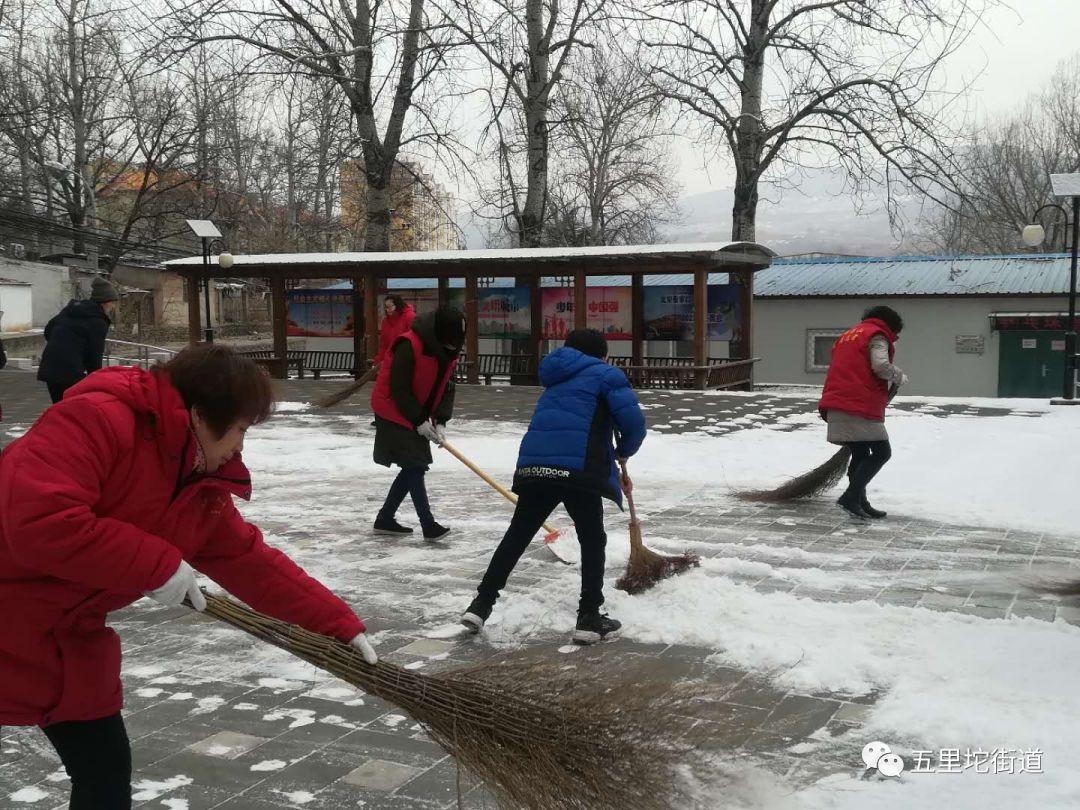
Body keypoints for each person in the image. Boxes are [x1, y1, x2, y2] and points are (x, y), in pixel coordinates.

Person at [0, 345, 377, 809]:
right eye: (239, 429)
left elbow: (248, 559)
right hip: (11, 610)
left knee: (105, 772)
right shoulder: (96, 419)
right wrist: (154, 565)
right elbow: (40, 522)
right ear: (201, 415)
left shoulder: (197, 484)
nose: (240, 445)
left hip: (64, 637)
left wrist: (338, 624)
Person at [461, 328, 646, 644]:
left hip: (536, 465)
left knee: (517, 535)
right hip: (576, 468)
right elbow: (633, 424)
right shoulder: (606, 374)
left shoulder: (556, 376)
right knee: (592, 539)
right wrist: (623, 451)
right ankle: (589, 617)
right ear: (601, 354)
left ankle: (480, 605)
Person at [370, 304, 464, 540]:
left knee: (414, 465)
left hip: (415, 410)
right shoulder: (408, 344)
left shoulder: (448, 351)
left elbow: (447, 388)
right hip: (392, 407)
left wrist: (441, 420)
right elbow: (399, 389)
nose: (454, 347)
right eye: (450, 341)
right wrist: (420, 421)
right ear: (439, 334)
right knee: (414, 464)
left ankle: (385, 519)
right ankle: (428, 525)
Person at [818, 305, 908, 520]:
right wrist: (899, 375)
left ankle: (860, 500)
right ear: (890, 325)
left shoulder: (849, 335)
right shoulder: (877, 336)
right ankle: (850, 497)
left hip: (837, 401)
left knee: (860, 453)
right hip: (858, 403)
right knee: (881, 452)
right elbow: (881, 366)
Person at [37, 275, 118, 403]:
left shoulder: (71, 310)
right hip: (70, 372)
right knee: (73, 411)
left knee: (59, 408)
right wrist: (96, 383)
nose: (113, 306)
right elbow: (94, 356)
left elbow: (48, 330)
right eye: (112, 302)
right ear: (105, 301)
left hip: (50, 367)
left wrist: (62, 343)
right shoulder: (97, 321)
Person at [375, 294, 415, 367]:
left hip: (405, 359)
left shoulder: (410, 317)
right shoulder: (385, 321)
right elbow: (383, 345)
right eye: (386, 307)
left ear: (398, 305)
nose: (388, 310)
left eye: (391, 307)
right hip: (388, 359)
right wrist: (378, 361)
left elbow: (413, 340)